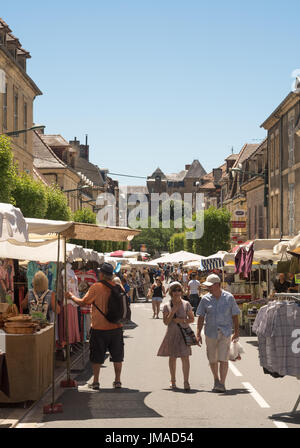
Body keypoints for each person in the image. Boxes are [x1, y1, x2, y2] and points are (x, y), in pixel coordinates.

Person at [65, 262, 124, 391]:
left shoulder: (96, 287)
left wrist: (71, 296)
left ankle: (96, 381)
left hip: (99, 328)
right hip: (116, 327)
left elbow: (83, 302)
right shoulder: (119, 287)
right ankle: (118, 381)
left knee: (97, 356)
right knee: (117, 356)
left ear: (101, 274)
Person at [196, 274, 240, 393]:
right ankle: (216, 379)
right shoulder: (205, 299)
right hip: (210, 333)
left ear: (217, 285)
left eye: (210, 286)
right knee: (212, 359)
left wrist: (236, 332)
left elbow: (235, 315)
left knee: (223, 359)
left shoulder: (229, 297)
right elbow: (200, 316)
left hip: (225, 332)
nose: (208, 288)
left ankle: (222, 383)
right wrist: (198, 333)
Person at [157, 281, 195, 391]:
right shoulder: (166, 306)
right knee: (172, 357)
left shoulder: (186, 304)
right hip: (172, 334)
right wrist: (173, 311)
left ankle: (186, 381)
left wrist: (182, 320)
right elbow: (166, 322)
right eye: (174, 290)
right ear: (171, 292)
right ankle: (173, 380)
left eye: (179, 290)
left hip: (183, 334)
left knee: (185, 357)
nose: (177, 292)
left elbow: (192, 319)